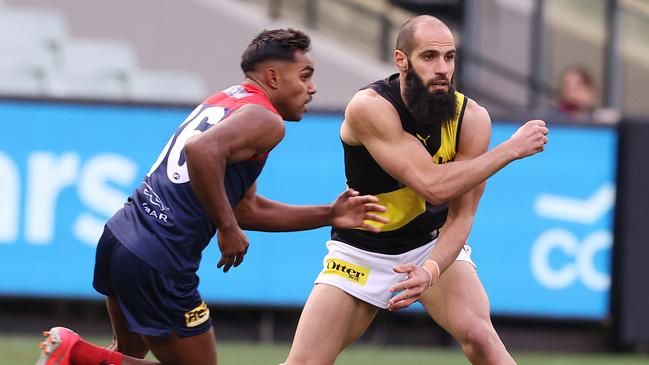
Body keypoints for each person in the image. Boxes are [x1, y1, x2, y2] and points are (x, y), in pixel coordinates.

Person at [36, 28, 388, 365]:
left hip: (122, 237)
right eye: (305, 76)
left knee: (123, 354)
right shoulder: (267, 120)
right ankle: (74, 354)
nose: (311, 89)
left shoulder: (228, 99)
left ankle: (76, 357)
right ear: (273, 77)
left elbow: (246, 208)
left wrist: (328, 214)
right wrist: (226, 228)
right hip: (160, 255)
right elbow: (201, 151)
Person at [282, 15, 548, 365]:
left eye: (449, 57)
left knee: (482, 338)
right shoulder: (370, 107)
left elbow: (462, 214)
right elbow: (433, 186)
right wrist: (509, 150)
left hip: (430, 244)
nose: (442, 68)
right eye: (429, 56)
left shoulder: (471, 118)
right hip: (362, 252)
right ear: (401, 60)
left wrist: (432, 269)